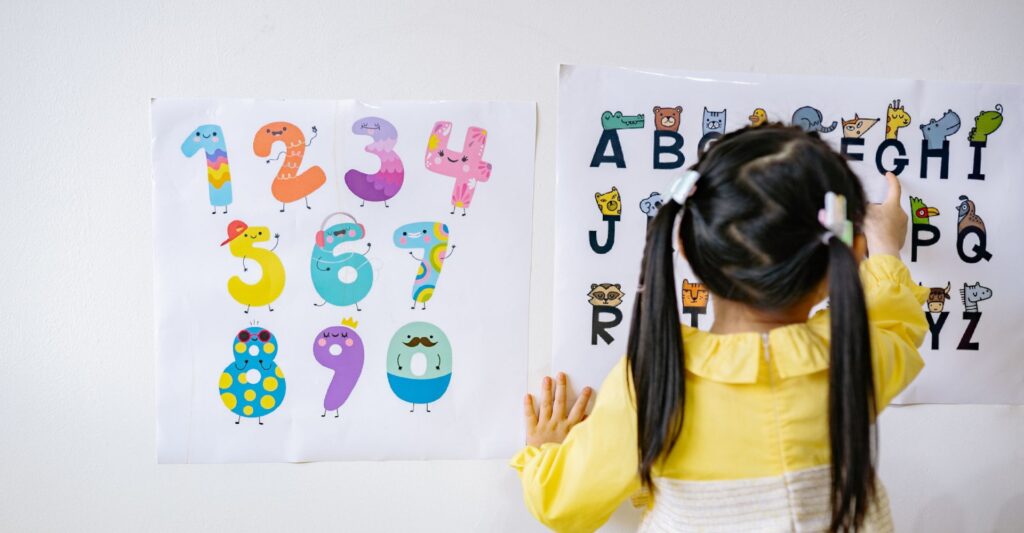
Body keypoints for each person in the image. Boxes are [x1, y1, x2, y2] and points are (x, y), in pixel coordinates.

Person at [512, 124, 928, 532]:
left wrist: (544, 451)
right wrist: (885, 247)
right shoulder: (856, 354)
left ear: (684, 246)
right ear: (850, 253)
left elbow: (561, 504)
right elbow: (895, 321)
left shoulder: (653, 380)